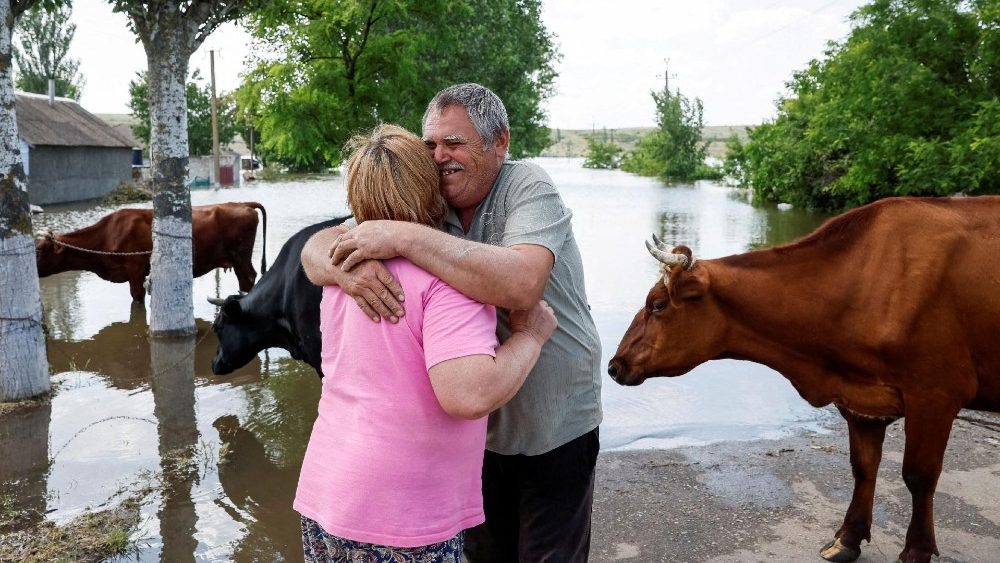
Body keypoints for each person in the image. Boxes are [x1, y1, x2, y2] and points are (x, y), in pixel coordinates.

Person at [302, 84, 603, 562]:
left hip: (554, 421)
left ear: (499, 143)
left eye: (455, 143)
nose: (440, 156)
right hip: (478, 437)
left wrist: (401, 235)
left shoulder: (529, 186)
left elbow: (523, 284)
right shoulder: (428, 198)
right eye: (430, 145)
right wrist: (345, 267)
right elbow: (320, 246)